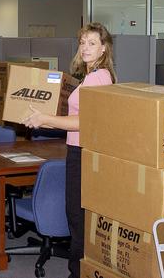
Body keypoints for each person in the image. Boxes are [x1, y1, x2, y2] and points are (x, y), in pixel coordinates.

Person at [22, 22, 116, 278]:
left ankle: (78, 273)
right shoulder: (91, 76)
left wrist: (45, 121)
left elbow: (85, 121)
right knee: (78, 218)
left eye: (92, 43)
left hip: (83, 154)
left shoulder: (98, 78)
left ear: (104, 49)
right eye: (83, 42)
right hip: (78, 151)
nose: (85, 48)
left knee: (78, 219)